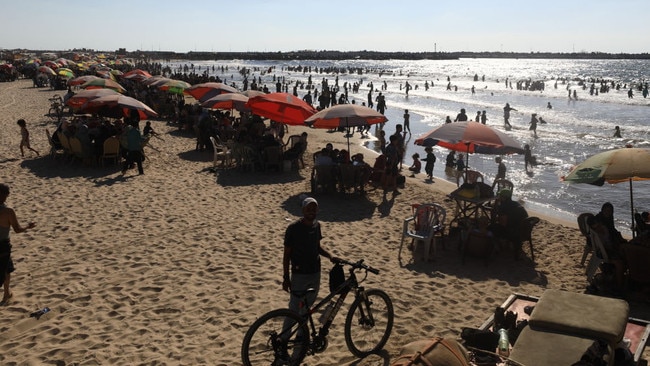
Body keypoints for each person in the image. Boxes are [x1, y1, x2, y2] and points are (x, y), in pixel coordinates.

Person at [282, 197, 337, 325]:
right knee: (294, 310)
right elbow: (286, 255)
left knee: (306, 310)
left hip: (315, 273)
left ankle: (302, 339)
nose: (311, 211)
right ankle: (284, 338)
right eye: (308, 208)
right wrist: (286, 278)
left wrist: (330, 255)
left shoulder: (317, 226)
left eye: (314, 208)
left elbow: (317, 247)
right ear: (303, 210)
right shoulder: (293, 228)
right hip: (299, 275)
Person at [0, 183, 36, 305]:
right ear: (5, 195)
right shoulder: (8, 212)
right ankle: (6, 294)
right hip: (3, 245)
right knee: (6, 269)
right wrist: (28, 227)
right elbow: (17, 229)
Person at [489, 188, 529, 259]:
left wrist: (496, 218)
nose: (499, 198)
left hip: (514, 234)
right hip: (525, 232)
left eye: (500, 196)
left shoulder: (504, 206)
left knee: (491, 227)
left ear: (504, 198)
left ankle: (496, 247)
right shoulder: (516, 203)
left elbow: (503, 224)